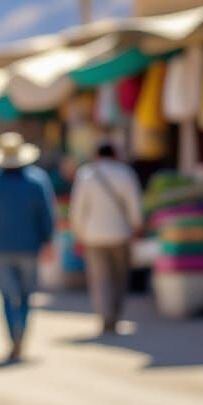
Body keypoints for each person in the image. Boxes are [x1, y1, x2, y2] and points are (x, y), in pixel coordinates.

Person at [0, 132, 55, 362]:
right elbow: (46, 214)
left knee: (8, 296)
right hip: (30, 246)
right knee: (27, 295)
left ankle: (13, 335)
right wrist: (49, 241)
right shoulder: (38, 180)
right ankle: (21, 334)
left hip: (3, 248)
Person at [69, 140, 144, 334]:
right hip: (121, 234)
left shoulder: (86, 175)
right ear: (115, 154)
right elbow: (134, 203)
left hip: (93, 236)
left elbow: (77, 209)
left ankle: (105, 316)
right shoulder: (125, 173)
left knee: (100, 279)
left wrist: (78, 233)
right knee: (119, 277)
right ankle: (115, 315)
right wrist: (137, 226)